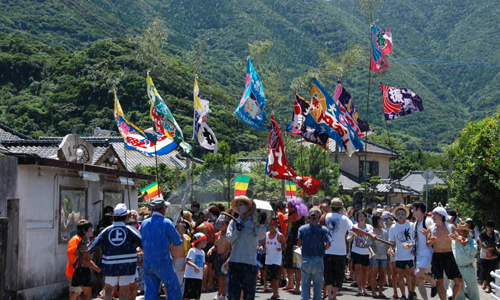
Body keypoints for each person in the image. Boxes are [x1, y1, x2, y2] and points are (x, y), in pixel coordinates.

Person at [323, 198, 377, 300]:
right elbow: (354, 229)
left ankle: (329, 294)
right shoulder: (344, 218)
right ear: (341, 207)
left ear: (331, 206)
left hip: (327, 249)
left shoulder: (324, 217)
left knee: (328, 273)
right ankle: (333, 295)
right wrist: (368, 234)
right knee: (338, 273)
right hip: (340, 251)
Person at [87, 203, 142, 300]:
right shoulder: (130, 229)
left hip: (110, 265)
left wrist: (87, 249)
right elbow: (143, 243)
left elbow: (93, 245)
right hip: (127, 265)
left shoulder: (107, 230)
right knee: (124, 290)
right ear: (125, 217)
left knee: (108, 290)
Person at [140, 198, 183, 300]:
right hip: (163, 262)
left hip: (148, 262)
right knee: (174, 289)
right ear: (163, 209)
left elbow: (141, 241)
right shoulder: (166, 222)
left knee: (150, 292)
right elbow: (177, 241)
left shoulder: (144, 223)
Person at [226, 196, 267, 300]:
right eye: (237, 205)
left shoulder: (254, 221)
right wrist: (237, 231)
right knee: (233, 295)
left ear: (248, 206)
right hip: (235, 262)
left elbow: (261, 236)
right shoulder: (233, 222)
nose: (239, 207)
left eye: (241, 204)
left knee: (249, 294)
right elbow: (229, 239)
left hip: (249, 263)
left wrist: (262, 224)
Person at [426, 207, 463, 300]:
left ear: (441, 215)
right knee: (439, 281)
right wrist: (431, 240)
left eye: (435, 214)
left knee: (458, 281)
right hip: (437, 256)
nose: (433, 216)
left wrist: (455, 238)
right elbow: (427, 244)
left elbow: (461, 241)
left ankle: (452, 298)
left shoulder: (451, 227)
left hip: (448, 255)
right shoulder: (431, 228)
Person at [297, 207, 330, 300]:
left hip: (306, 259)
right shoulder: (323, 229)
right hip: (318, 259)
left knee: (304, 285)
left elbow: (299, 243)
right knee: (318, 286)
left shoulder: (302, 229)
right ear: (319, 217)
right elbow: (328, 243)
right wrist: (322, 249)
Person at [411, 201, 437, 300]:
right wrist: (411, 245)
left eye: (413, 209)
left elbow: (434, 235)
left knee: (419, 274)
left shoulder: (428, 221)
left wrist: (429, 236)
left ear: (419, 210)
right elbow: (416, 239)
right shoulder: (415, 223)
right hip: (418, 254)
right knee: (419, 278)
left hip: (428, 253)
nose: (412, 211)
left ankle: (434, 283)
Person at [389, 206, 415, 300]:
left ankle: (410, 293)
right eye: (399, 214)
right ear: (396, 215)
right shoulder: (393, 227)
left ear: (406, 216)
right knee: (400, 274)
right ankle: (403, 294)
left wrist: (412, 245)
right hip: (399, 254)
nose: (400, 216)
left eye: (402, 214)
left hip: (410, 253)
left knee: (409, 274)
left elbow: (415, 238)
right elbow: (391, 241)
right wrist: (390, 249)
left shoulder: (411, 225)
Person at [282, 198, 308, 294]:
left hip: (297, 240)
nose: (287, 207)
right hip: (291, 238)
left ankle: (297, 286)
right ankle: (290, 283)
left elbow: (287, 220)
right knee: (288, 263)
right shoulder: (292, 213)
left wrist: (283, 216)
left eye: (288, 205)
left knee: (297, 265)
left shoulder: (298, 214)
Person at [451, 221, 479, 300]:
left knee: (473, 289)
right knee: (458, 289)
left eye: (462, 230)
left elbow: (473, 252)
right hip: (457, 267)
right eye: (459, 230)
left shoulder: (471, 241)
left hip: (468, 267)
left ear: (466, 232)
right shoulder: (454, 241)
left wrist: (465, 244)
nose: (460, 232)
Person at [208, 214, 233, 300]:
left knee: (224, 277)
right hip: (218, 256)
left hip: (225, 257)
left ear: (227, 225)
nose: (220, 225)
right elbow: (215, 245)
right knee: (219, 276)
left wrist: (227, 251)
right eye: (219, 224)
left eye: (222, 224)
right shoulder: (217, 235)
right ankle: (222, 293)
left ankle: (221, 293)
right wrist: (211, 249)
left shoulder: (229, 235)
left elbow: (232, 248)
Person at [262, 217, 286, 300]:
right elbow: (263, 245)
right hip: (268, 259)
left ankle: (276, 293)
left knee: (275, 277)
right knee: (270, 278)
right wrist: (261, 248)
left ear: (276, 226)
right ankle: (275, 292)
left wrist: (281, 248)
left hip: (276, 259)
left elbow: (285, 245)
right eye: (270, 225)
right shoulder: (266, 235)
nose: (271, 227)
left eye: (272, 225)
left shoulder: (279, 235)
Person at [351, 211, 373, 296]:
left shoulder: (369, 227)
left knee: (365, 270)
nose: (361, 218)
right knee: (358, 270)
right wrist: (352, 235)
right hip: (356, 251)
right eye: (359, 216)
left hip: (366, 251)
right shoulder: (354, 227)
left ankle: (364, 287)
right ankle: (360, 288)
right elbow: (348, 239)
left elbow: (371, 238)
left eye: (363, 216)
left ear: (366, 217)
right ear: (357, 218)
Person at [369, 215, 390, 298]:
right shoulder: (371, 232)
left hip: (383, 256)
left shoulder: (385, 232)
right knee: (374, 274)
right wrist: (372, 253)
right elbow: (368, 245)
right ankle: (373, 291)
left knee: (382, 274)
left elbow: (389, 243)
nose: (382, 222)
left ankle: (381, 291)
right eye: (380, 220)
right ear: (376, 221)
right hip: (374, 256)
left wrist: (389, 249)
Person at [183, 233, 208, 300]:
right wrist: (194, 266)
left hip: (198, 277)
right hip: (190, 276)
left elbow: (203, 263)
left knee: (197, 296)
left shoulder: (202, 252)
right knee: (187, 296)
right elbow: (187, 261)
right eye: (203, 240)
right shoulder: (192, 250)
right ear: (198, 241)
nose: (205, 242)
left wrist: (205, 266)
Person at [478, 220, 499, 293]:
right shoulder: (482, 235)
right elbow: (480, 245)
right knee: (485, 270)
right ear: (486, 227)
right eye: (488, 227)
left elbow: (498, 242)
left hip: (494, 255)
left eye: (491, 227)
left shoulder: (496, 233)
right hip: (484, 255)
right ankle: (485, 281)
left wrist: (493, 249)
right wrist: (487, 249)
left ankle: (490, 287)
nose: (490, 229)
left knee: (492, 271)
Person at [172, 220, 192, 286]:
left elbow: (188, 252)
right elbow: (167, 249)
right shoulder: (171, 238)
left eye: (182, 229)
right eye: (178, 229)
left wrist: (186, 263)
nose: (180, 230)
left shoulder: (187, 239)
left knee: (181, 281)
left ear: (185, 230)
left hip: (182, 260)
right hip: (173, 261)